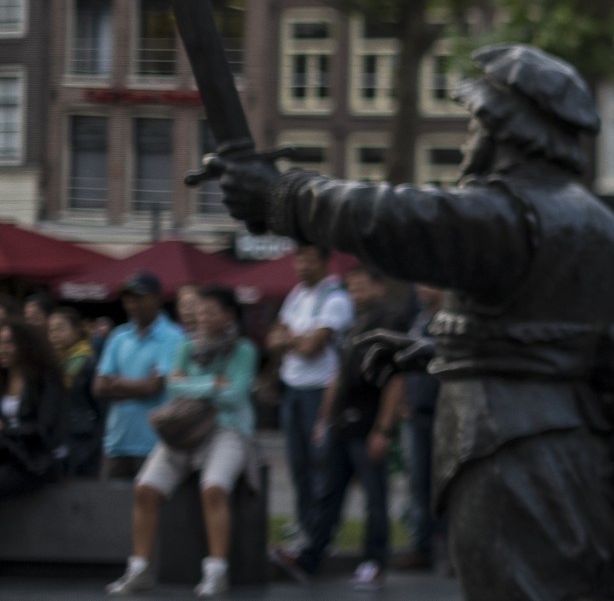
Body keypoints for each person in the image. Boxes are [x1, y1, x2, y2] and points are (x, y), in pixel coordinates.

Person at [219, 45, 614, 601]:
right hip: (587, 451)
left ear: (503, 133)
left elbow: (394, 216)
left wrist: (278, 196)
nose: (468, 144)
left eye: (475, 126)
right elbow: (563, 347)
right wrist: (439, 354)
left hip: (508, 452)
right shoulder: (608, 233)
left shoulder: (510, 214)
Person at [106, 286, 259, 597]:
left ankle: (216, 572)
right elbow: (173, 387)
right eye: (200, 311)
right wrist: (212, 384)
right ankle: (140, 569)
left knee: (214, 488)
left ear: (229, 315)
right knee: (145, 489)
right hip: (184, 429)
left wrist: (193, 384)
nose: (202, 317)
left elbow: (235, 394)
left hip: (226, 430)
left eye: (210, 311)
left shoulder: (244, 349)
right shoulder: (187, 346)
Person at [271, 264, 405, 590]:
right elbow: (339, 374)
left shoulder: (389, 323)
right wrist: (324, 418)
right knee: (328, 491)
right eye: (352, 288)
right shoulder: (354, 324)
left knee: (374, 494)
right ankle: (310, 557)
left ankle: (375, 562)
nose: (356, 293)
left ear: (379, 287)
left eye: (362, 286)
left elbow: (396, 378)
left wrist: (384, 428)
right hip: (342, 421)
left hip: (368, 421)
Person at [265, 242, 353, 548]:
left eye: (310, 260)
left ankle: (323, 532)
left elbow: (312, 347)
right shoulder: (297, 294)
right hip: (293, 388)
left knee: (322, 464)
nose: (302, 266)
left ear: (325, 262)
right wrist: (296, 339)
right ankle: (305, 527)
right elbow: (273, 339)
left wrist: (291, 340)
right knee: (298, 464)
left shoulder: (335, 298)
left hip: (321, 391)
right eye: (299, 260)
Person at [93, 272, 186, 479]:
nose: (132, 304)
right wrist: (140, 386)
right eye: (128, 299)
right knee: (109, 498)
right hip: (117, 442)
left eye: (139, 298)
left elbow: (155, 387)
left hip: (155, 443)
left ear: (157, 298)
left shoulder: (174, 337)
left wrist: (115, 382)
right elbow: (98, 387)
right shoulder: (119, 336)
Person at [393, 283, 445, 573]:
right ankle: (421, 547)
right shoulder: (419, 320)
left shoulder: (449, 319)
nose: (421, 289)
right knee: (418, 483)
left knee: (447, 483)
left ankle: (452, 548)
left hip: (445, 412)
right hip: (417, 412)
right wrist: (404, 400)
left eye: (427, 283)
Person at [0, 320, 65, 497]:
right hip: (8, 455)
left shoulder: (44, 380)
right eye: (0, 343)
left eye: (9, 343)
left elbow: (45, 429)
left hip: (35, 460)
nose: (3, 349)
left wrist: (6, 430)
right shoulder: (3, 380)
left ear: (25, 345)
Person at [48, 305, 102, 476]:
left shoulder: (88, 361)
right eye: (51, 330)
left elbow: (99, 405)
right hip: (60, 435)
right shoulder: (52, 363)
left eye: (60, 328)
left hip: (83, 436)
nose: (55, 334)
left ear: (77, 330)